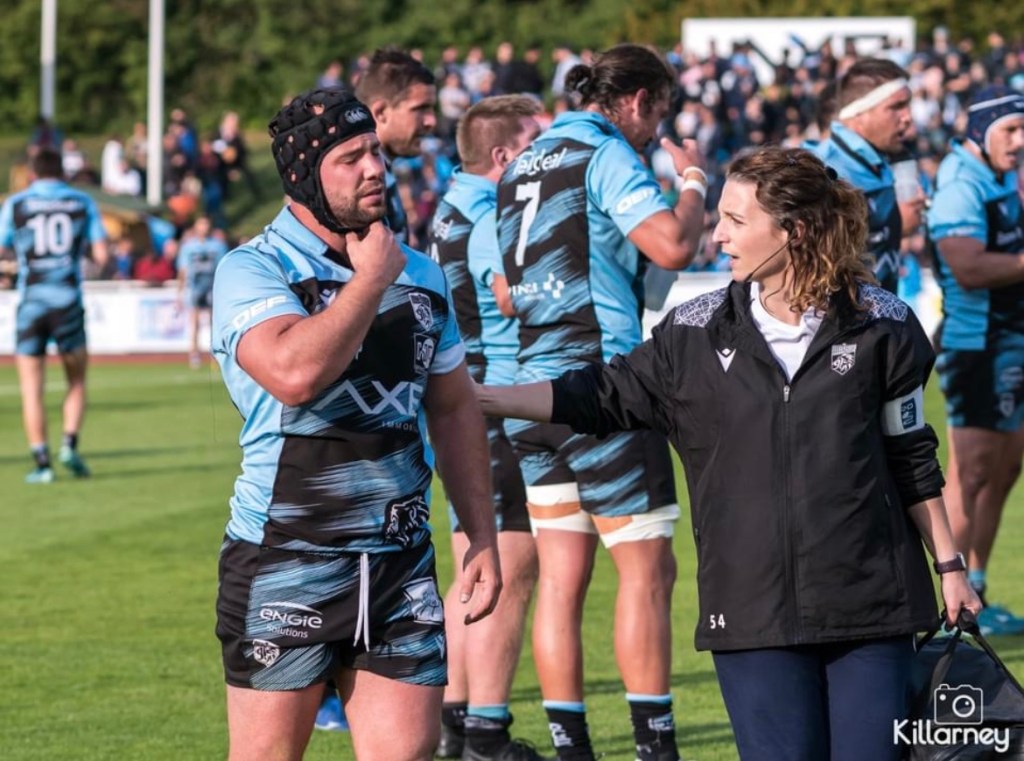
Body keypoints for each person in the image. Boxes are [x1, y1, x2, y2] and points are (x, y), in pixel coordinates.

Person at [480, 146, 982, 761]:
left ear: (794, 230)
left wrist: (950, 567)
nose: (716, 236)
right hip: (750, 613)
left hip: (873, 608)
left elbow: (911, 457)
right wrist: (480, 397)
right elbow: (598, 393)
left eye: (735, 220)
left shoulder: (885, 325)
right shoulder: (692, 332)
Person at [210, 88, 501, 761]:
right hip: (287, 557)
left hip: (401, 563)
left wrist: (481, 533)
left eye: (374, 149)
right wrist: (368, 282)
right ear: (305, 176)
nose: (375, 167)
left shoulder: (421, 274)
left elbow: (453, 406)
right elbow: (294, 373)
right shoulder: (253, 268)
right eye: (350, 157)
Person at [495, 43, 705, 761]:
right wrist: (693, 181)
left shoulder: (522, 161)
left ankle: (572, 749)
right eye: (659, 115)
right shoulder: (606, 152)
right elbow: (673, 245)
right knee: (647, 573)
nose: (656, 132)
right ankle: (655, 749)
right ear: (640, 100)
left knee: (561, 582)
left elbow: (507, 292)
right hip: (602, 388)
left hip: (533, 392)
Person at [428, 95, 545, 761]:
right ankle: (487, 736)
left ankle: (454, 720)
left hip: (459, 399)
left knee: (472, 569)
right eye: (535, 144)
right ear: (504, 155)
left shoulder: (451, 205)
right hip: (493, 400)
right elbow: (511, 297)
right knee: (512, 565)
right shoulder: (495, 214)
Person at [927, 86, 1024, 636]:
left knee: (1005, 468)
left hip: (1011, 339)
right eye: (1010, 129)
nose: (1020, 140)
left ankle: (978, 591)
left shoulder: (1000, 177)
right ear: (981, 131)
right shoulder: (962, 183)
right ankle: (947, 609)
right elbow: (967, 267)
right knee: (971, 473)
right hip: (976, 344)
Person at [0, 147, 109, 483]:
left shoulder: (16, 204)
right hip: (67, 302)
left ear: (32, 173)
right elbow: (102, 256)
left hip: (31, 304)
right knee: (76, 380)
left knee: (31, 389)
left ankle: (42, 463)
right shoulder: (81, 202)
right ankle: (69, 445)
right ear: (63, 172)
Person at [814, 58, 924, 293]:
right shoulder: (824, 171)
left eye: (908, 105)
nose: (908, 117)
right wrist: (895, 221)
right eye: (896, 107)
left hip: (880, 312)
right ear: (858, 114)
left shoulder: (879, 163)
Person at [355, 47, 437, 244]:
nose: (431, 121)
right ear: (381, 112)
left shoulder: (384, 171)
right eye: (420, 109)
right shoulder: (358, 185)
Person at [177, 215, 228, 368]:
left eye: (206, 224)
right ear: (195, 227)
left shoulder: (218, 245)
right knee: (195, 321)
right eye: (201, 224)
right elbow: (183, 269)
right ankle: (194, 353)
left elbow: (224, 267)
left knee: (215, 322)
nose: (204, 227)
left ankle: (216, 353)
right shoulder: (188, 247)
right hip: (195, 287)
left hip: (212, 287)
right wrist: (179, 291)